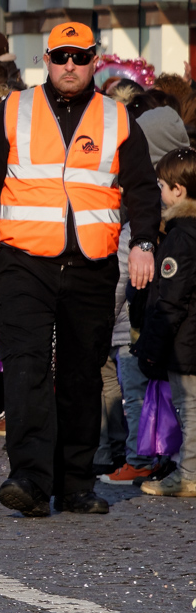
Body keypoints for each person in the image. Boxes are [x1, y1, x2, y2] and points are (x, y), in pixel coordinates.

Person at [0, 22, 159, 517]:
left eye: (80, 56)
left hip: (92, 265)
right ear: (45, 60)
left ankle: (74, 482)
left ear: (95, 60)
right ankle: (28, 478)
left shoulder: (117, 118)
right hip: (24, 261)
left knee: (80, 375)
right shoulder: (13, 110)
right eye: (61, 56)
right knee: (26, 367)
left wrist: (144, 244)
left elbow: (141, 188)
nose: (70, 65)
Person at [136, 148, 196, 497]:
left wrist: (151, 348)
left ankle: (188, 474)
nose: (158, 193)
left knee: (190, 410)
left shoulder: (180, 237)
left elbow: (170, 299)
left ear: (178, 190)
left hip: (185, 342)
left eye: (161, 185)